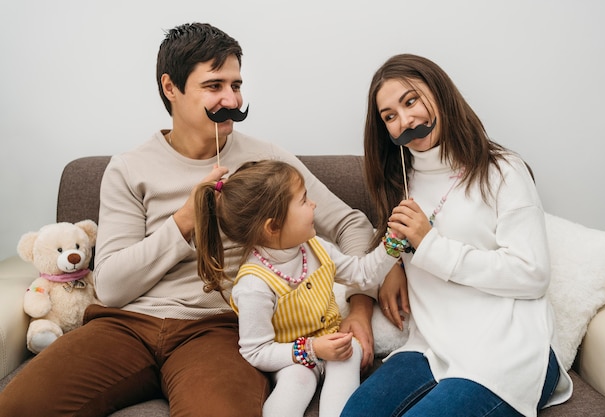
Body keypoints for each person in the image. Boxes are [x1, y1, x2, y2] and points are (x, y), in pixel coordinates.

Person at [0, 22, 396, 417]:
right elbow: (113, 286)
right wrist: (185, 221)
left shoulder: (266, 162)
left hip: (219, 330)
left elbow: (351, 224)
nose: (230, 98)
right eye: (214, 86)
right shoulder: (128, 169)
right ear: (171, 87)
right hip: (125, 326)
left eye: (236, 85)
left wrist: (359, 308)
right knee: (19, 406)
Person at [340, 54, 574, 417]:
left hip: (508, 351)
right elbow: (386, 248)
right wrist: (394, 267)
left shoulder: (503, 170)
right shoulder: (398, 182)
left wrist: (430, 244)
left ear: (439, 92)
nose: (405, 121)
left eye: (411, 101)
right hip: (432, 347)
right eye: (390, 116)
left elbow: (532, 274)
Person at [193, 159, 401, 417]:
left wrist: (393, 244)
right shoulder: (254, 285)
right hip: (292, 355)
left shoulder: (317, 248)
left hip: (333, 340)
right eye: (303, 200)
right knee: (297, 380)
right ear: (273, 226)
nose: (313, 204)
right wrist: (312, 349)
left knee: (349, 354)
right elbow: (256, 352)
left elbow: (362, 274)